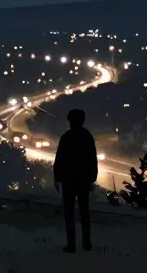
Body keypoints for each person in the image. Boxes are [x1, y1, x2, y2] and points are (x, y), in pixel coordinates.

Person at [53, 108, 98, 253]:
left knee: (69, 213)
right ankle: (86, 243)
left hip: (69, 180)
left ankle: (71, 245)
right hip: (83, 180)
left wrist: (57, 178)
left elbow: (59, 159)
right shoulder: (87, 136)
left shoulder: (66, 137)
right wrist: (92, 179)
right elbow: (93, 160)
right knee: (84, 212)